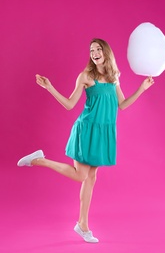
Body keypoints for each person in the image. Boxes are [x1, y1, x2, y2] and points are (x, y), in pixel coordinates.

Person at [17, 38, 154, 243]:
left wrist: (142, 88)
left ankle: (83, 225)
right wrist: (50, 88)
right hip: (87, 130)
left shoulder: (114, 76)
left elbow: (122, 105)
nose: (95, 52)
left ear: (106, 52)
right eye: (92, 50)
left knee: (91, 178)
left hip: (104, 133)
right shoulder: (86, 76)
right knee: (81, 175)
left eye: (98, 49)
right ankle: (39, 160)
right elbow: (70, 104)